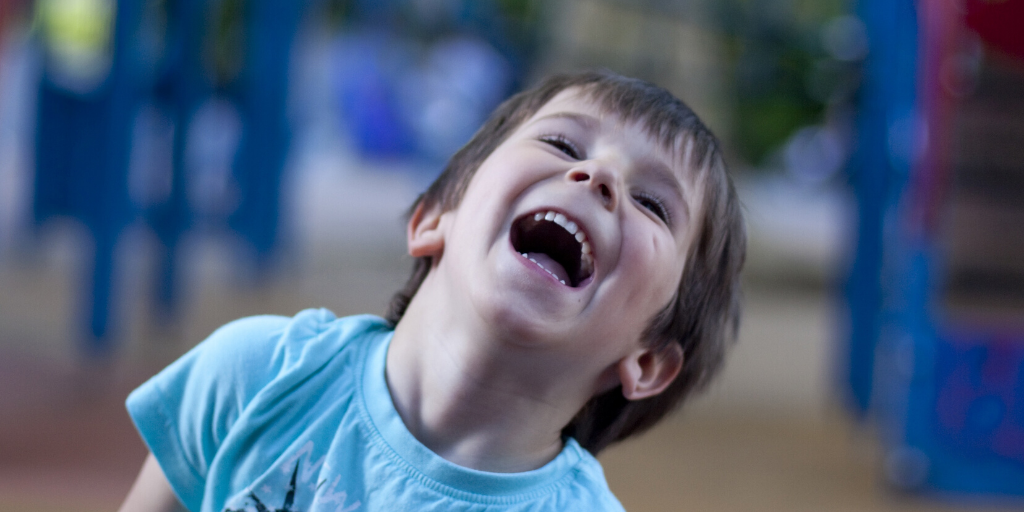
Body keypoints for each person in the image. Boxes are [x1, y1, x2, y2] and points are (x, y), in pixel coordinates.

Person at [118, 69, 746, 512]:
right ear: (434, 216)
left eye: (652, 203)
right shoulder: (257, 376)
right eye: (560, 143)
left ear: (650, 359)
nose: (598, 175)